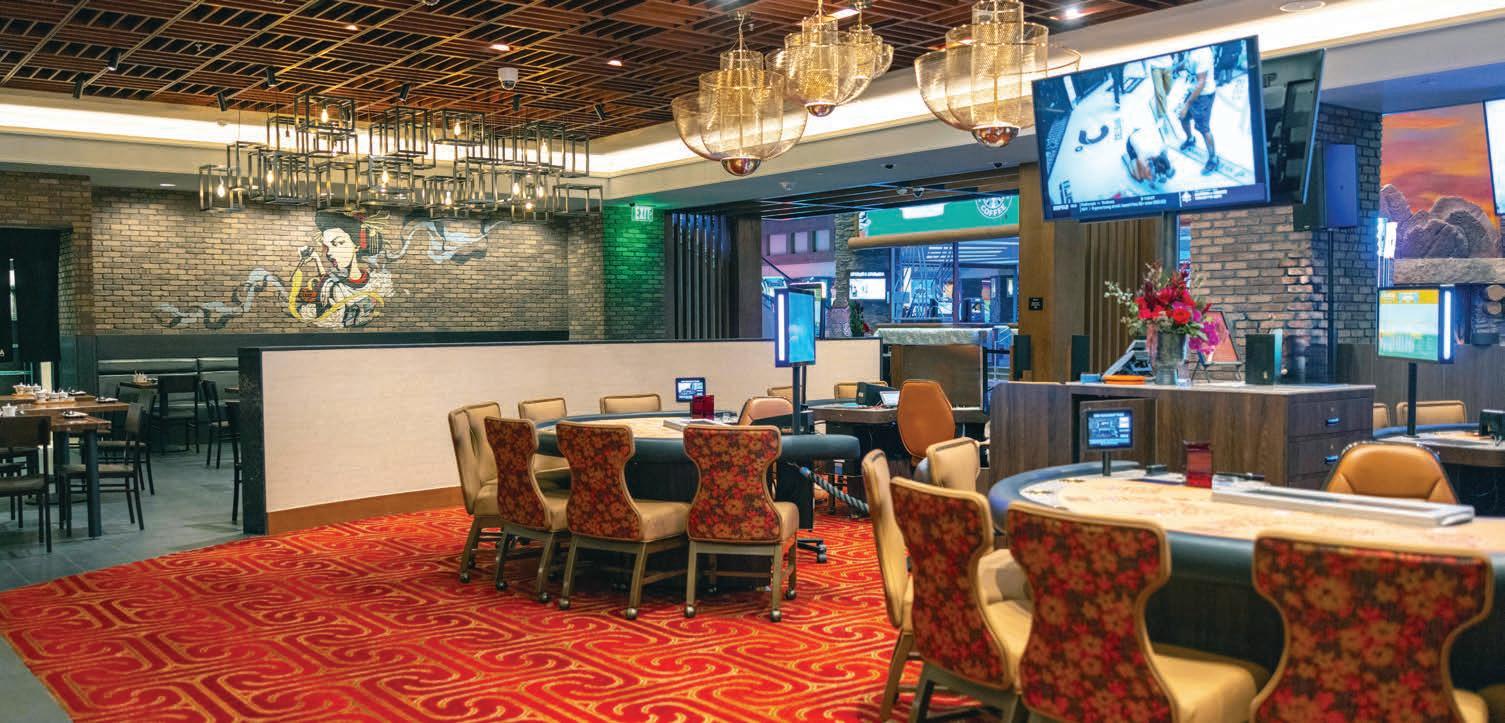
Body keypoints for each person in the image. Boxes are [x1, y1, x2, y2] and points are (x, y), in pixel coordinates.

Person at [1176, 46, 1220, 175]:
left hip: (1203, 96)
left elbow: (1201, 83)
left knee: (1203, 128)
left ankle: (1213, 159)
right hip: (1192, 91)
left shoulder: (1202, 53)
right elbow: (1187, 62)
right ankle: (1190, 139)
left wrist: (1186, 106)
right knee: (1183, 118)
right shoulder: (1190, 48)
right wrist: (1175, 67)